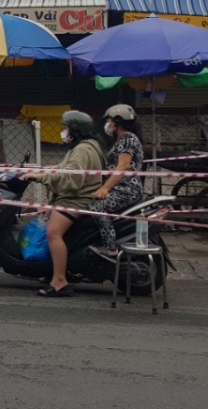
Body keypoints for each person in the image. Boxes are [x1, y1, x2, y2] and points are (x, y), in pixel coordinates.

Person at [22, 111, 106, 297]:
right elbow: (63, 169)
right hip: (75, 197)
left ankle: (60, 281)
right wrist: (40, 172)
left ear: (75, 130)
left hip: (77, 199)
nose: (63, 131)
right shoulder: (85, 147)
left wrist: (41, 177)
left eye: (66, 128)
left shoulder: (82, 150)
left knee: (53, 233)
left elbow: (71, 178)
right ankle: (56, 270)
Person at [90, 104, 146, 259]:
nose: (107, 124)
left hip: (126, 189)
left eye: (109, 121)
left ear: (117, 122)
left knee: (96, 207)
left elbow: (123, 165)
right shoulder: (124, 139)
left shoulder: (127, 139)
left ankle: (111, 247)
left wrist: (105, 189)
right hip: (121, 187)